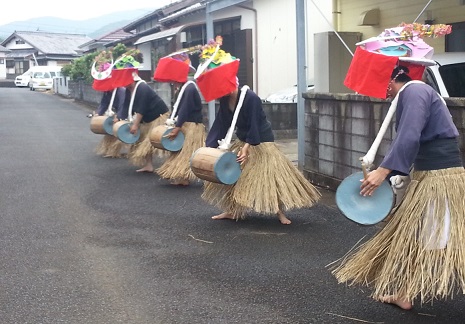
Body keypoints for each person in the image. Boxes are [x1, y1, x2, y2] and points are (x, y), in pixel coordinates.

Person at [332, 65, 465, 309]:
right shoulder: (415, 93)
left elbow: (409, 136)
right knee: (417, 236)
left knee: (439, 240)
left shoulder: (414, 92)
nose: (384, 94)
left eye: (383, 84)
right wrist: (391, 171)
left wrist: (383, 171)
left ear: (392, 79)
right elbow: (409, 138)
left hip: (440, 177)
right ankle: (404, 293)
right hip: (429, 174)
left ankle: (405, 292)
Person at [201, 84, 321, 225]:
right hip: (243, 139)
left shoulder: (251, 98)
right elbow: (221, 123)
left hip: (261, 140)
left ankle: (280, 212)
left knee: (269, 179)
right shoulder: (225, 100)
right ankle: (232, 210)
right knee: (232, 174)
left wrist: (246, 148)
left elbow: (255, 124)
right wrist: (211, 145)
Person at [153, 51, 206, 186]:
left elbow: (184, 109)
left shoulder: (189, 88)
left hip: (191, 125)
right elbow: (177, 109)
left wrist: (177, 128)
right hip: (185, 124)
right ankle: (179, 174)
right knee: (180, 151)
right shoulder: (183, 87)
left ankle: (183, 176)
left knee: (186, 153)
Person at [126, 77, 170, 173]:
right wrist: (120, 117)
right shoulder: (128, 90)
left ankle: (170, 164)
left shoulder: (142, 87)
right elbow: (126, 105)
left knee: (161, 141)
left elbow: (142, 108)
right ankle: (148, 165)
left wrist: (135, 125)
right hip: (147, 119)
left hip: (158, 117)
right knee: (144, 141)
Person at [94, 87, 128, 158]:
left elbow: (123, 104)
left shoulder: (121, 91)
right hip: (120, 111)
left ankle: (126, 151)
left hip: (129, 111)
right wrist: (98, 113)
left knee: (121, 131)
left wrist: (119, 116)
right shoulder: (107, 92)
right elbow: (104, 103)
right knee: (111, 130)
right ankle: (112, 150)